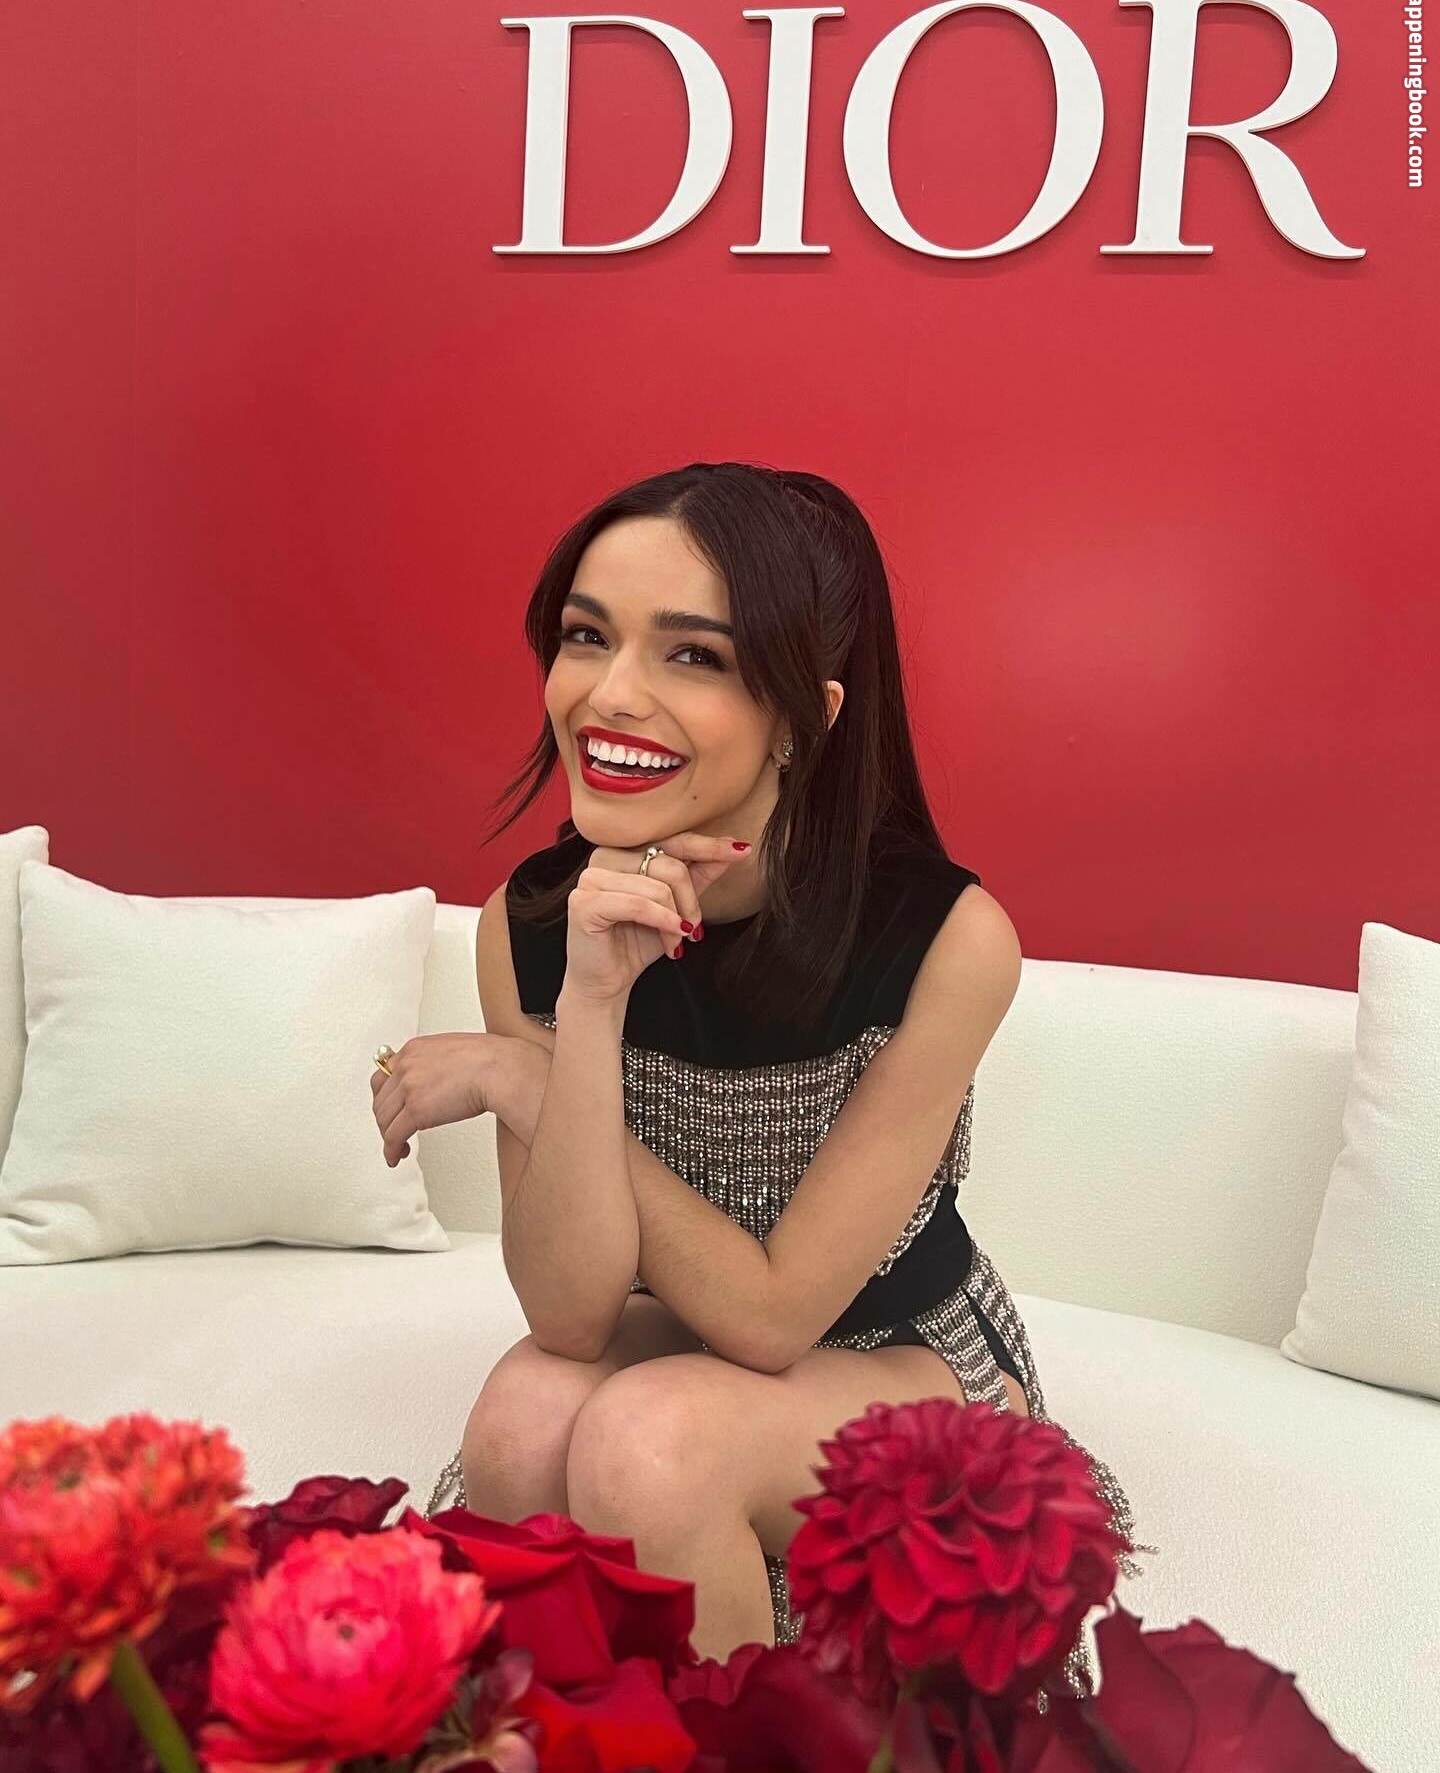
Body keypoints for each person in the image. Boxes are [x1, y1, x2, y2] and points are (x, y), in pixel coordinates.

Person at [418, 462, 1155, 1703]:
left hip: (894, 1349)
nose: (610, 695)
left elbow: (772, 1319)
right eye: (587, 637)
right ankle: (604, 1726)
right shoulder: (532, 926)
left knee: (654, 1443)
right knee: (523, 1416)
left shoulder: (945, 938)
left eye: (693, 656)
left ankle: (769, 1727)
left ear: (806, 715)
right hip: (677, 1327)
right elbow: (572, 1317)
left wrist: (526, 1085)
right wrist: (587, 1011)